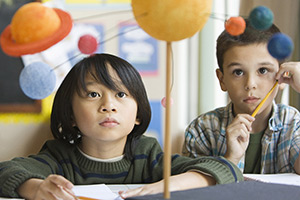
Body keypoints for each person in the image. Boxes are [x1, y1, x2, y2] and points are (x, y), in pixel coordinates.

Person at [0, 53, 243, 199]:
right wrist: (38, 189)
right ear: (70, 114)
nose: (108, 106)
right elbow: (6, 172)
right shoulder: (58, 156)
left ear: (138, 114)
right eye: (93, 94)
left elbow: (226, 169)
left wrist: (165, 185)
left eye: (121, 95)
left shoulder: (148, 156)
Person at [182, 19, 300, 174]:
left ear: (283, 76)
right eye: (238, 72)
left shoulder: (292, 123)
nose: (250, 84)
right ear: (222, 79)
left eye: (263, 70)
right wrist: (231, 158)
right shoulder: (203, 130)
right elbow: (193, 192)